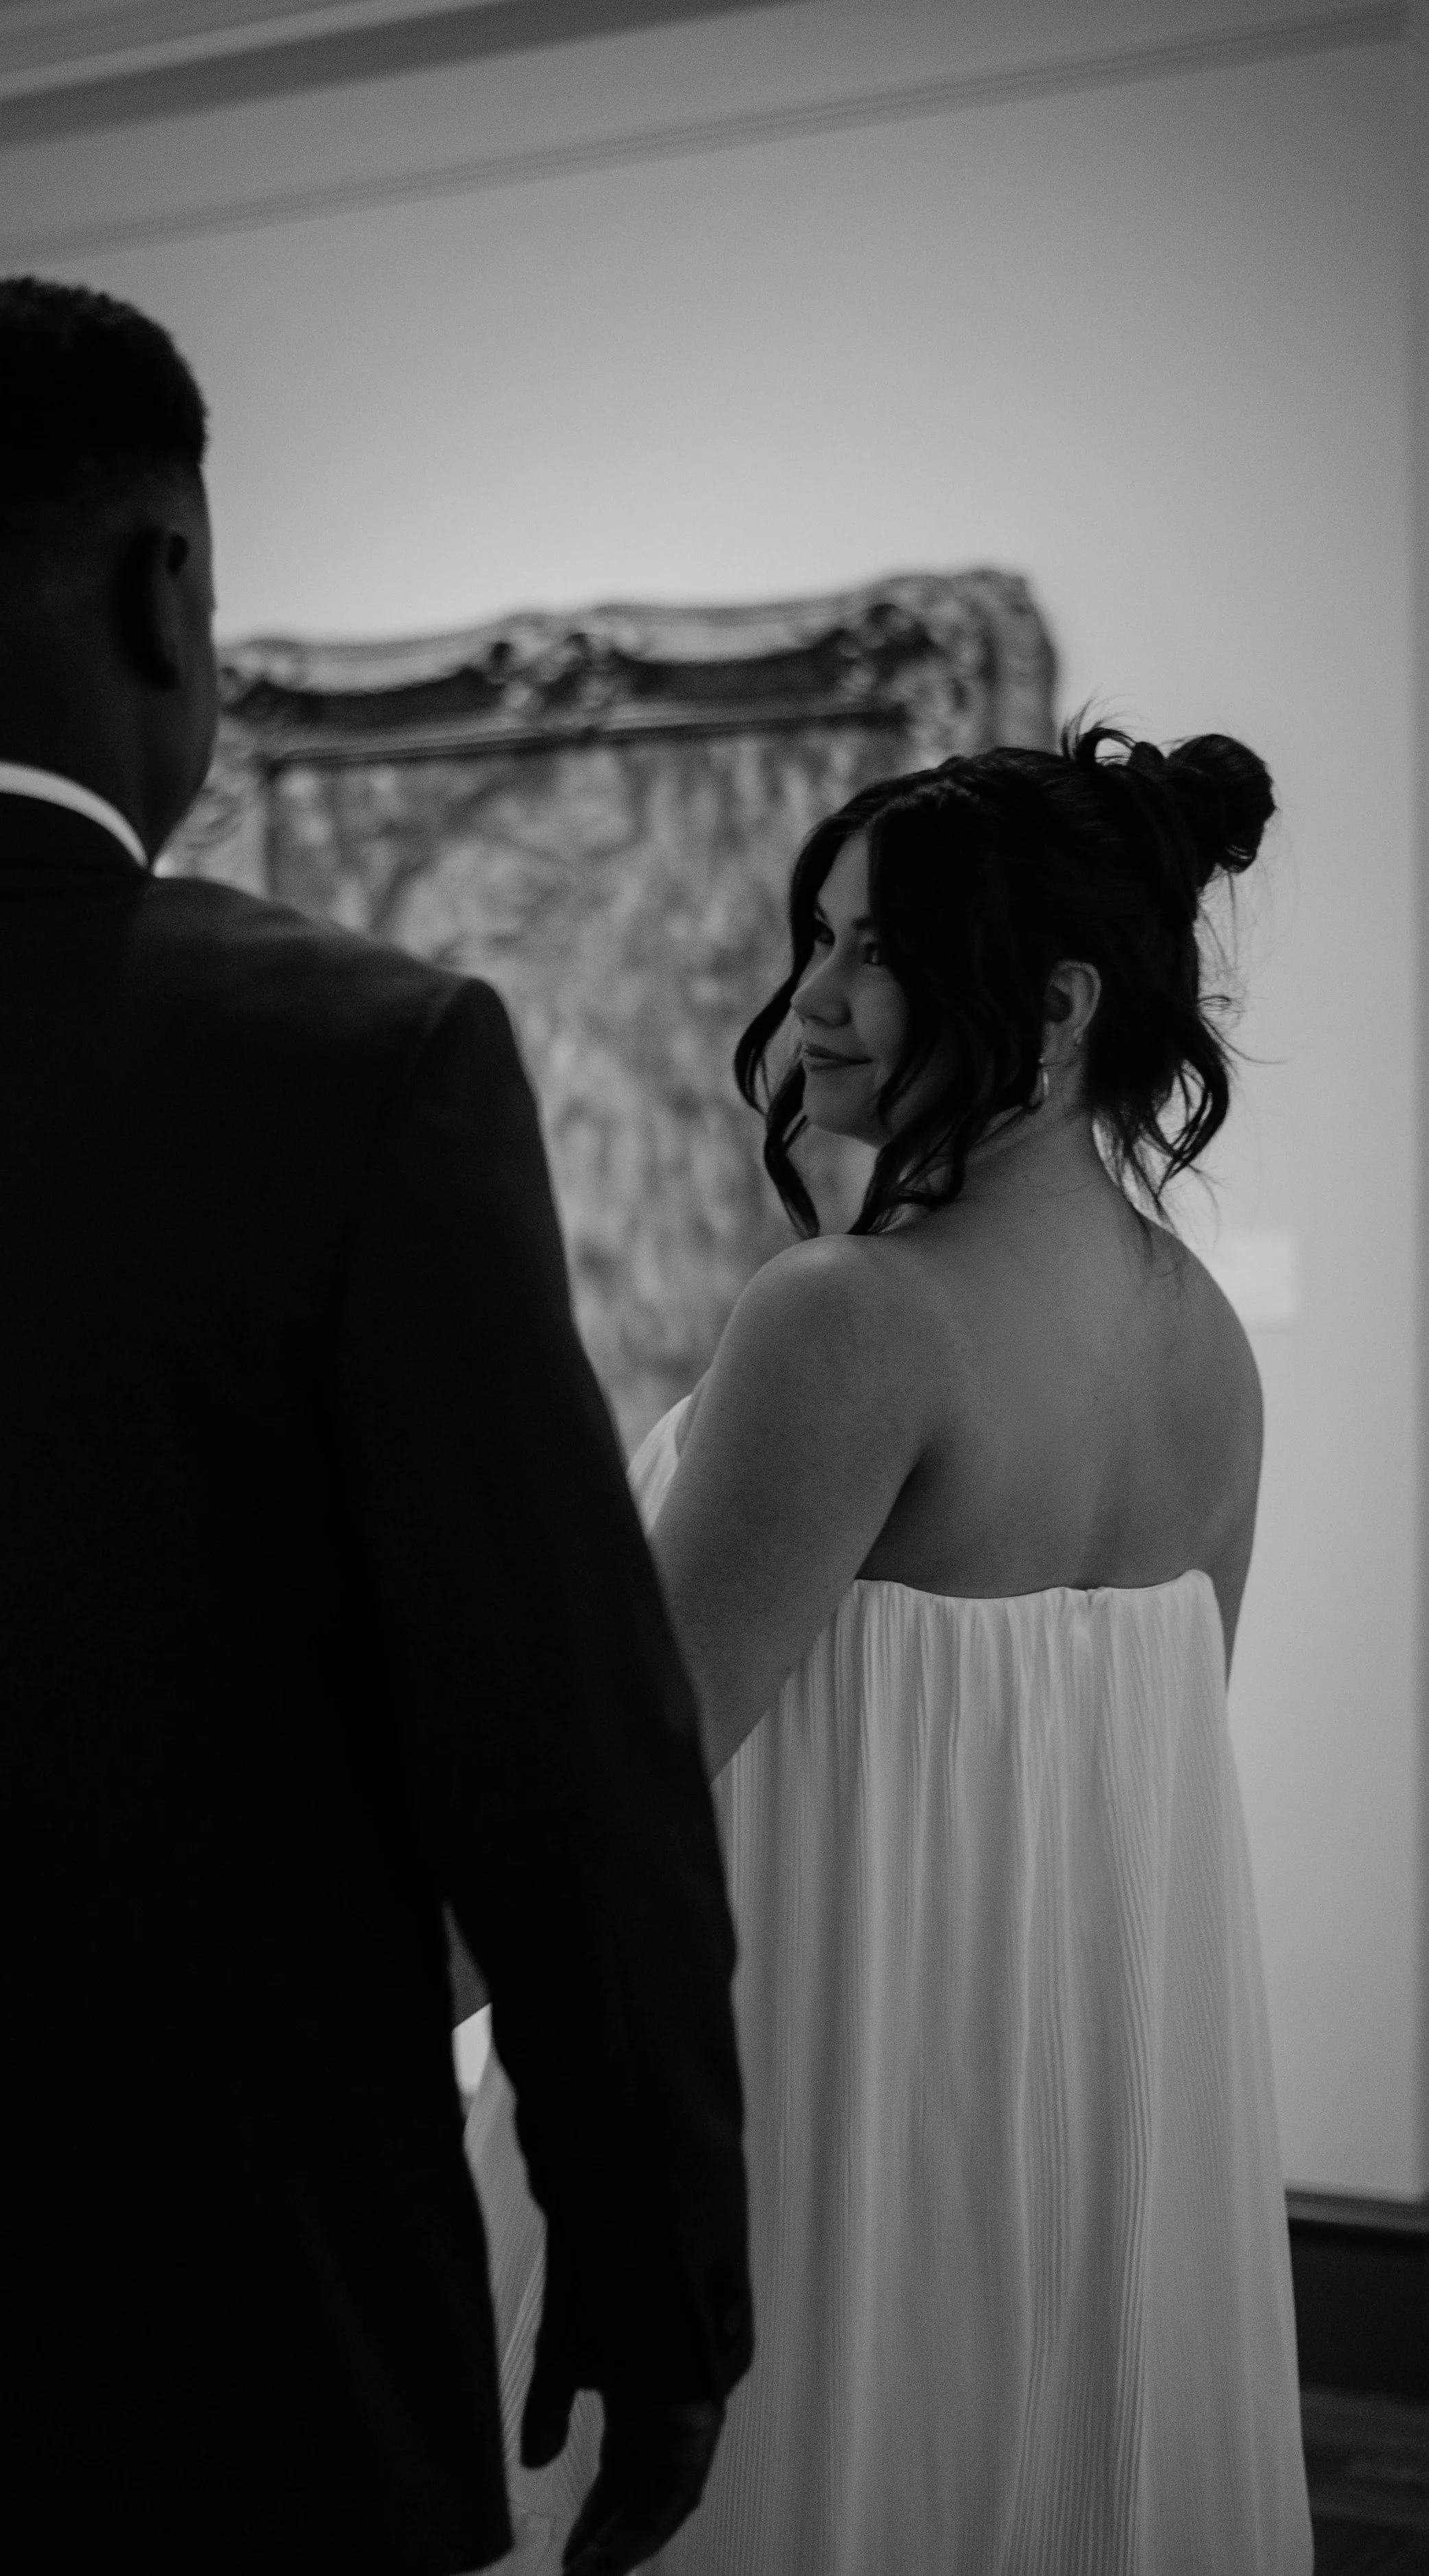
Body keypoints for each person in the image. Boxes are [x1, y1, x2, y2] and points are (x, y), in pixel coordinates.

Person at [0, 276, 752, 2576]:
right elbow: (563, 1750)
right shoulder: (362, 1066)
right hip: (228, 2355)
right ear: (171, 590)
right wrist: (656, 2263)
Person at [467, 723, 1314, 2573]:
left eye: (878, 948)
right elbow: (1123, 1871)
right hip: (1047, 2178)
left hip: (799, 2163)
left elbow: (619, 1796)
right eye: (820, 937)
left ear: (1064, 999)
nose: (816, 998)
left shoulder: (850, 1319)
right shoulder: (1208, 1356)